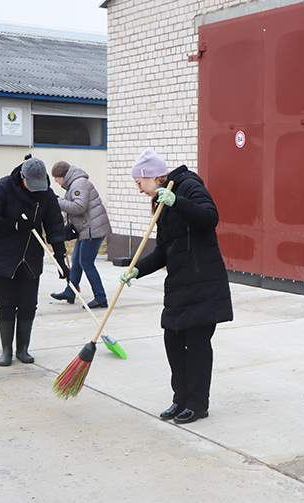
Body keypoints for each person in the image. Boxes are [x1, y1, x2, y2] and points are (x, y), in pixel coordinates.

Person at [120, 147, 233, 424]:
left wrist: (177, 202)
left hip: (203, 282)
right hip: (180, 285)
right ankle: (180, 399)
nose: (139, 190)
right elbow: (163, 250)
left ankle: (197, 404)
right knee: (172, 341)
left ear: (153, 176)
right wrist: (138, 269)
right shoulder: (161, 202)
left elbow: (210, 218)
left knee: (197, 346)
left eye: (140, 183)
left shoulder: (189, 186)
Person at [0, 154, 70, 367]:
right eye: (32, 185)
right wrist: (16, 225)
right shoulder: (3, 187)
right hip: (2, 255)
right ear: (22, 176)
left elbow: (54, 226)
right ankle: (6, 350)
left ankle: (23, 349)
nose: (35, 190)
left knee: (28, 304)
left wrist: (60, 258)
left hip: (30, 256)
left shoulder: (46, 194)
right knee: (6, 303)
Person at [49, 161, 112, 309]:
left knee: (86, 263)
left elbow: (79, 207)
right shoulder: (74, 184)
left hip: (93, 229)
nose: (56, 181)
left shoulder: (79, 183)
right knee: (76, 261)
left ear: (63, 175)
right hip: (87, 229)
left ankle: (100, 297)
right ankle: (70, 291)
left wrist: (57, 201)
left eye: (57, 178)